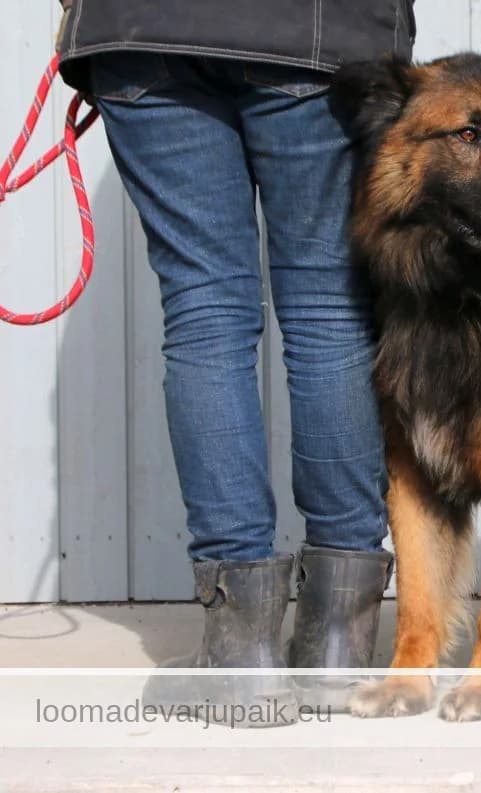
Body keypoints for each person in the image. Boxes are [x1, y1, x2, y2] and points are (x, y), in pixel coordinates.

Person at [56, 1, 416, 723]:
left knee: (205, 307)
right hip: (319, 34)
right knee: (327, 306)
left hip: (141, 27)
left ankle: (240, 658)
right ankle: (338, 646)